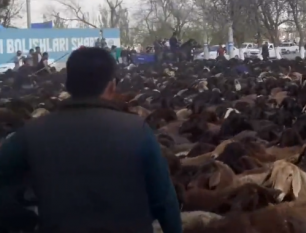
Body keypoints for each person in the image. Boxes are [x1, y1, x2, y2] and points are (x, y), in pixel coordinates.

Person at [0, 47, 182, 233]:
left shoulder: (33, 132)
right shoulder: (137, 130)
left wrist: (25, 220)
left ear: (67, 85)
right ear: (112, 86)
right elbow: (164, 200)